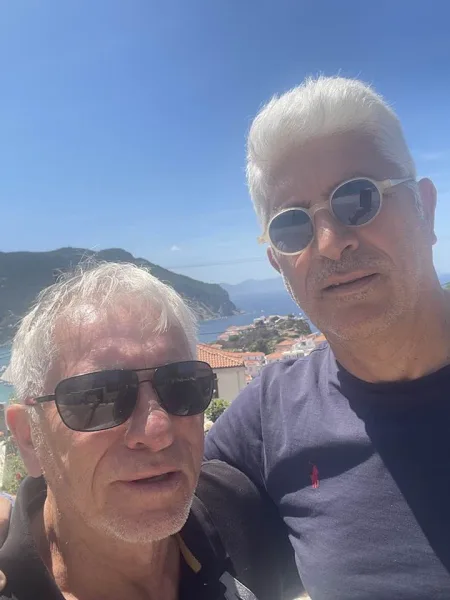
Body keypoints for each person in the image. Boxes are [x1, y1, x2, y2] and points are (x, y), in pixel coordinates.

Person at [205, 76, 450, 599]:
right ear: (278, 263)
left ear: (425, 208)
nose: (331, 242)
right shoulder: (271, 414)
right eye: (292, 226)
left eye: (358, 198)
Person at [0, 262, 299, 600]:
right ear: (29, 437)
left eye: (182, 385)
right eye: (99, 397)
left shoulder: (237, 509)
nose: (158, 430)